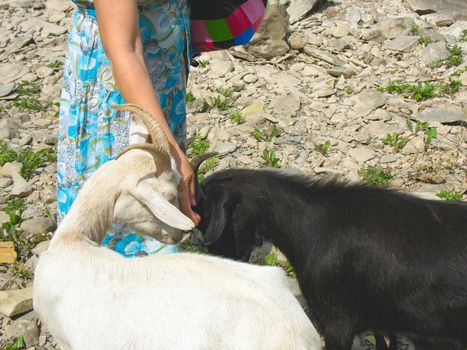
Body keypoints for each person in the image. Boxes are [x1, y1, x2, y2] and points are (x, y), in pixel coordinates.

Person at [56, 0, 199, 256]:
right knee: (130, 198)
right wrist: (171, 152)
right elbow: (125, 50)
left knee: (157, 192)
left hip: (155, 81)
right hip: (120, 91)